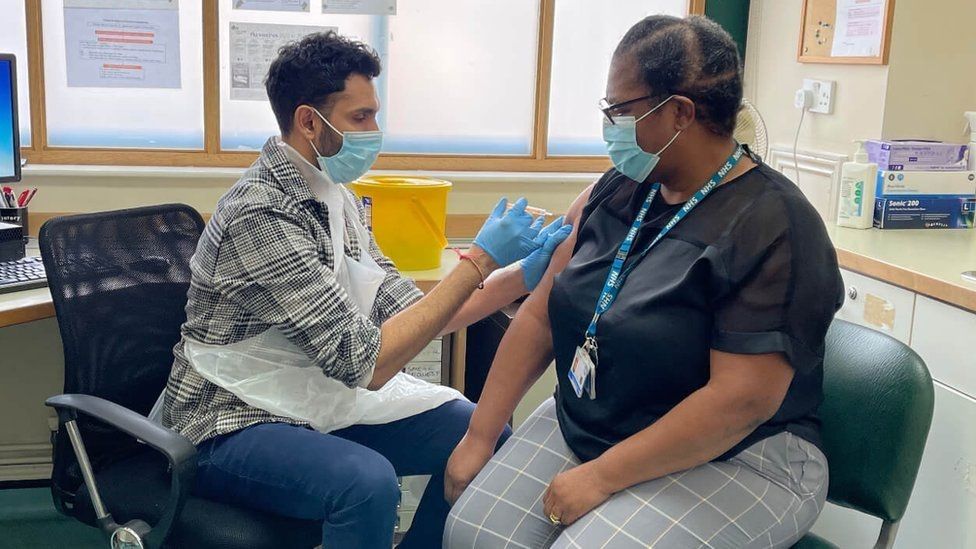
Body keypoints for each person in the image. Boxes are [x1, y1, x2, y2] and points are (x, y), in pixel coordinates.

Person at [444, 14, 845, 549]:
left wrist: (601, 477)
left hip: (745, 453)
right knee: (474, 535)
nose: (609, 125)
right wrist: (479, 436)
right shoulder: (616, 191)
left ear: (680, 113)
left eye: (621, 111)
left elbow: (739, 403)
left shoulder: (775, 227)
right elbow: (540, 314)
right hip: (598, 422)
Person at [160, 31, 570, 549]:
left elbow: (415, 314)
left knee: (480, 438)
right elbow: (365, 364)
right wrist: (480, 259)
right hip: (229, 419)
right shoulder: (260, 213)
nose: (374, 132)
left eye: (374, 115)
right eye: (360, 118)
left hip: (310, 398)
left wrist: (519, 275)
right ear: (309, 121)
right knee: (365, 484)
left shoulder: (338, 198)